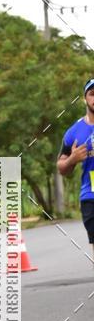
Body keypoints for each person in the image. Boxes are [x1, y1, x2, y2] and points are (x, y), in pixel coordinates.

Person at [57, 78, 94, 265]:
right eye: (92, 94)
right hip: (91, 195)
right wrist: (72, 159)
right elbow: (61, 166)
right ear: (85, 99)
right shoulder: (74, 132)